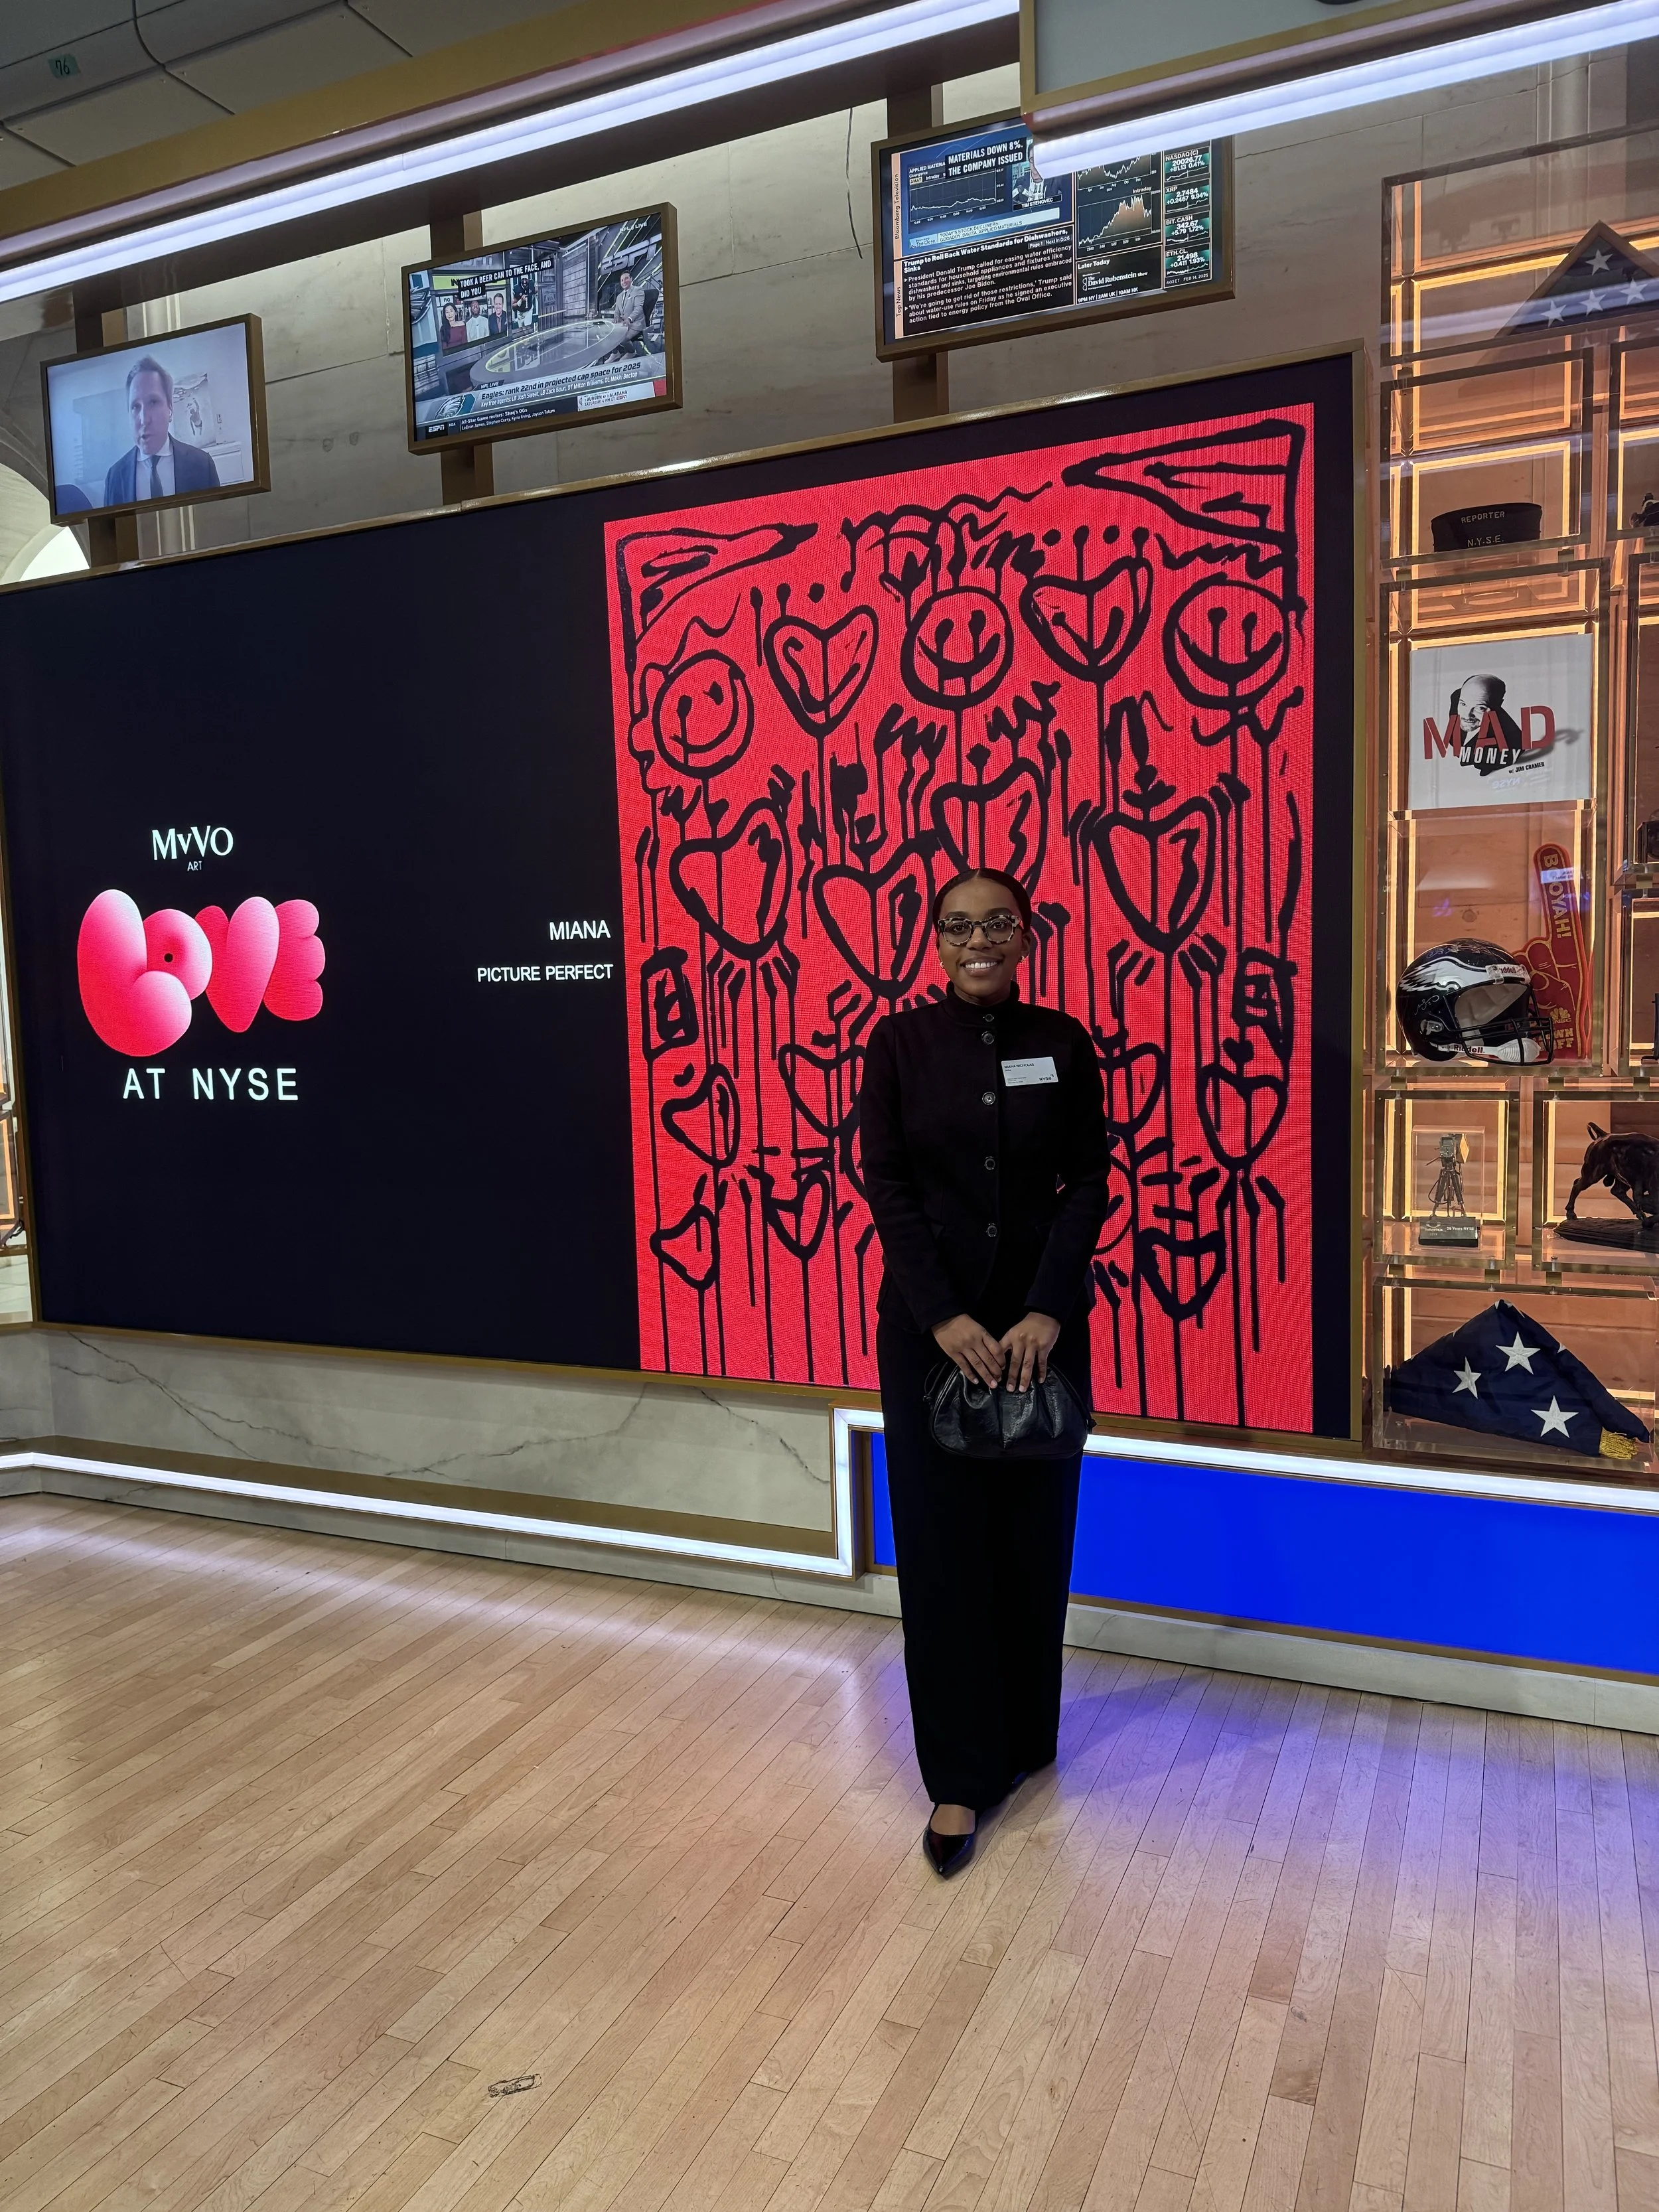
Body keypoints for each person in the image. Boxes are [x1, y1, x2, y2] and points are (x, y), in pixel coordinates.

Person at [857, 867, 1111, 1878]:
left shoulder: (1064, 1040)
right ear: (935, 939)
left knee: (1032, 1539)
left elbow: (1088, 1177)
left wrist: (1049, 1305)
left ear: (1025, 933)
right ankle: (961, 1776)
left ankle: (1024, 1740)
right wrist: (946, 1316)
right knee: (945, 1550)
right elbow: (887, 1183)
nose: (979, 940)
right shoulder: (899, 1045)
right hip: (933, 1339)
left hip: (1043, 1335)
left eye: (996, 923)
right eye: (959, 925)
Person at [102, 356, 221, 508]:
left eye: (153, 402)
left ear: (170, 409)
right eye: (135, 407)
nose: (144, 419)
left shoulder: (203, 466)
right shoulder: (115, 478)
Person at [599, 271, 650, 360]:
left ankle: (631, 352)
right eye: (622, 280)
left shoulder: (638, 290)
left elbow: (638, 308)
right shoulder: (619, 296)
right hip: (623, 323)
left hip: (635, 323)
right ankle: (616, 353)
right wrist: (617, 317)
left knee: (622, 338)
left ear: (631, 279)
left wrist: (629, 319)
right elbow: (617, 311)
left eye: (626, 278)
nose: (624, 282)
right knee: (607, 334)